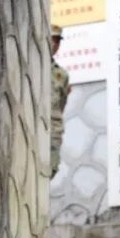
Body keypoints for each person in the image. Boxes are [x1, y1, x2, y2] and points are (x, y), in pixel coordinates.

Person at [49, 24, 71, 176]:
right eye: (52, 39)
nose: (55, 44)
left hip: (52, 130)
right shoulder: (30, 67)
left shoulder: (61, 75)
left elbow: (61, 105)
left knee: (51, 169)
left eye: (57, 41)